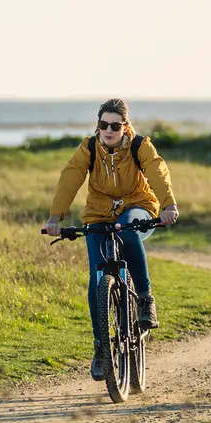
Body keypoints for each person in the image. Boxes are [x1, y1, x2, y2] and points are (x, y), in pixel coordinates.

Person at [42, 99, 179, 382]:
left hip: (137, 206)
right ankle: (102, 347)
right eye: (103, 124)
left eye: (115, 125)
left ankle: (144, 298)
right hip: (99, 213)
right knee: (97, 277)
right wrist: (56, 217)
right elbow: (70, 178)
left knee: (128, 230)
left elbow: (157, 171)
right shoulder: (89, 148)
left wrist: (168, 205)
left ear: (125, 126)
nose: (108, 130)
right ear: (98, 125)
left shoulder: (140, 146)